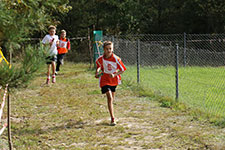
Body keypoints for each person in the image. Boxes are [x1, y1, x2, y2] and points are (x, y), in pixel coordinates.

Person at [95, 41, 126, 126]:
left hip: (114, 80)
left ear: (112, 49)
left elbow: (122, 70)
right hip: (104, 80)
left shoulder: (116, 59)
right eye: (107, 49)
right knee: (109, 97)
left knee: (112, 99)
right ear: (104, 50)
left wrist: (114, 74)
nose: (109, 51)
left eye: (110, 49)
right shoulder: (101, 59)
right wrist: (97, 72)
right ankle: (112, 118)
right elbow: (98, 66)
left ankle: (111, 109)